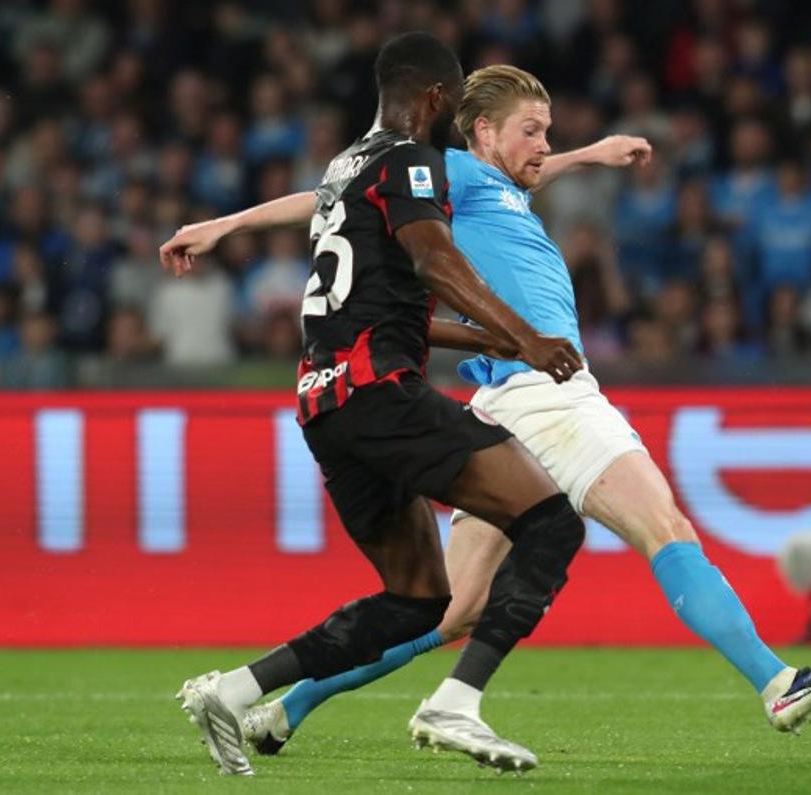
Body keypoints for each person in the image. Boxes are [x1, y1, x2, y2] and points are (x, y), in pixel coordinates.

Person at [244, 65, 811, 771]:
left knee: (447, 611)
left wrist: (590, 153)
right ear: (481, 132)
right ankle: (778, 681)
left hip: (502, 407)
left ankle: (282, 706)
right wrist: (226, 224)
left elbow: (523, 175)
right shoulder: (446, 173)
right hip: (548, 397)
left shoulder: (497, 189)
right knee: (662, 525)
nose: (545, 144)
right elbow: (335, 197)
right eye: (531, 130)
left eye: (548, 131)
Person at [158, 33, 587, 777]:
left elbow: (389, 306)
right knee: (551, 521)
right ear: (435, 98)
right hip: (383, 395)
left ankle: (233, 689)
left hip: (327, 407)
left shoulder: (343, 171)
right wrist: (526, 332)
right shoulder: (410, 161)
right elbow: (433, 259)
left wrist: (496, 342)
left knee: (419, 600)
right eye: (452, 107)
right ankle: (457, 703)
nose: (452, 121)